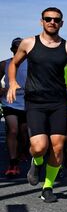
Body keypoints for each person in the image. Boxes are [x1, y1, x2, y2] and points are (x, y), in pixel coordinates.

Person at [6, 7, 67, 203]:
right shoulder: (29, 43)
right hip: (35, 102)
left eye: (56, 20)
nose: (52, 22)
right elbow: (14, 63)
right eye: (48, 19)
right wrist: (13, 82)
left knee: (57, 147)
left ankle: (47, 187)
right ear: (41, 21)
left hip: (58, 102)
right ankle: (37, 160)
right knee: (39, 146)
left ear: (61, 23)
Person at [1, 38, 29, 177]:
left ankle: (22, 151)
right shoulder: (5, 64)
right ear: (12, 50)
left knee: (23, 132)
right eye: (16, 48)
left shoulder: (32, 64)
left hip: (27, 102)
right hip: (9, 101)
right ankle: (13, 162)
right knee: (13, 130)